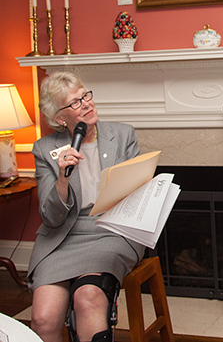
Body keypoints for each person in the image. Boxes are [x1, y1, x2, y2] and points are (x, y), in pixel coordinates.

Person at [28, 72, 145, 342]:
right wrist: (62, 177)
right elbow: (52, 218)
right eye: (75, 103)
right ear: (59, 118)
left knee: (87, 298)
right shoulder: (45, 149)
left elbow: (138, 191)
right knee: (43, 319)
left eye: (86, 95)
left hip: (111, 229)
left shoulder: (122, 134)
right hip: (62, 238)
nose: (86, 104)